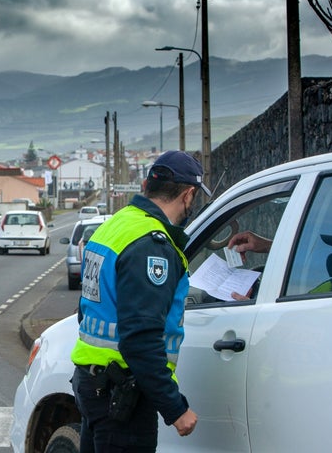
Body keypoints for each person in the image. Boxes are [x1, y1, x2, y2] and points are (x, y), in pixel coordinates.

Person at [70, 151, 206, 452]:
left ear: (147, 185)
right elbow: (140, 339)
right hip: (121, 395)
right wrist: (176, 408)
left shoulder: (114, 227)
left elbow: (85, 309)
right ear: (188, 195)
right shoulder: (151, 245)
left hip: (92, 384)